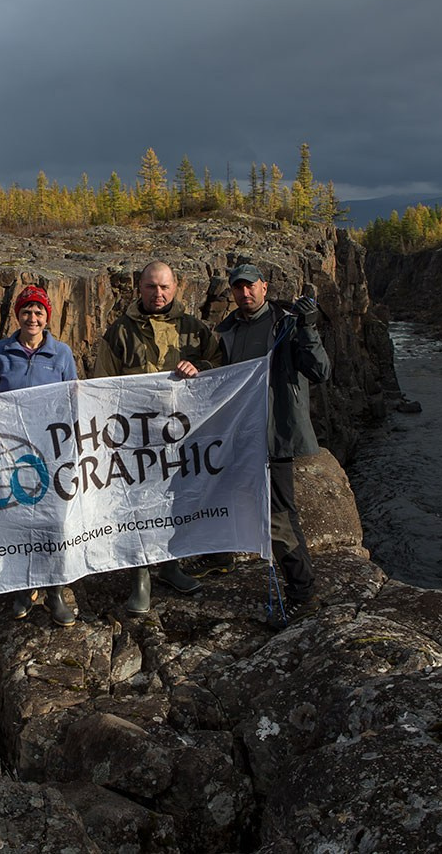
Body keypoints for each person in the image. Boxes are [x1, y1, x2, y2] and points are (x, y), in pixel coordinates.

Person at [93, 260, 223, 615]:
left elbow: (221, 367)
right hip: (135, 440)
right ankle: (140, 577)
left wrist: (202, 367)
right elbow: (101, 385)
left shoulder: (194, 329)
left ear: (176, 286)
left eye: (164, 286)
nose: (158, 293)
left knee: (175, 500)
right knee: (137, 505)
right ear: (140, 287)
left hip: (183, 437)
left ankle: (170, 565)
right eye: (151, 286)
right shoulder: (119, 332)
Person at [214, 263, 331, 627]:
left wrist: (309, 327)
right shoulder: (229, 330)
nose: (245, 292)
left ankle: (304, 593)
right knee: (218, 495)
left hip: (273, 437)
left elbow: (320, 371)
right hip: (239, 435)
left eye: (251, 286)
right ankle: (218, 556)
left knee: (279, 517)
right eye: (238, 287)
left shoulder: (287, 324)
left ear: (264, 287)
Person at [0, 284, 79, 626]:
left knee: (55, 519)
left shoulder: (62, 353)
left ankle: (54, 590)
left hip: (51, 449)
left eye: (38, 312)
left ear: (47, 317)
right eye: (26, 311)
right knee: (19, 517)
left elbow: (73, 398)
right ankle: (25, 586)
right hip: (13, 450)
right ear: (17, 315)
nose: (32, 317)